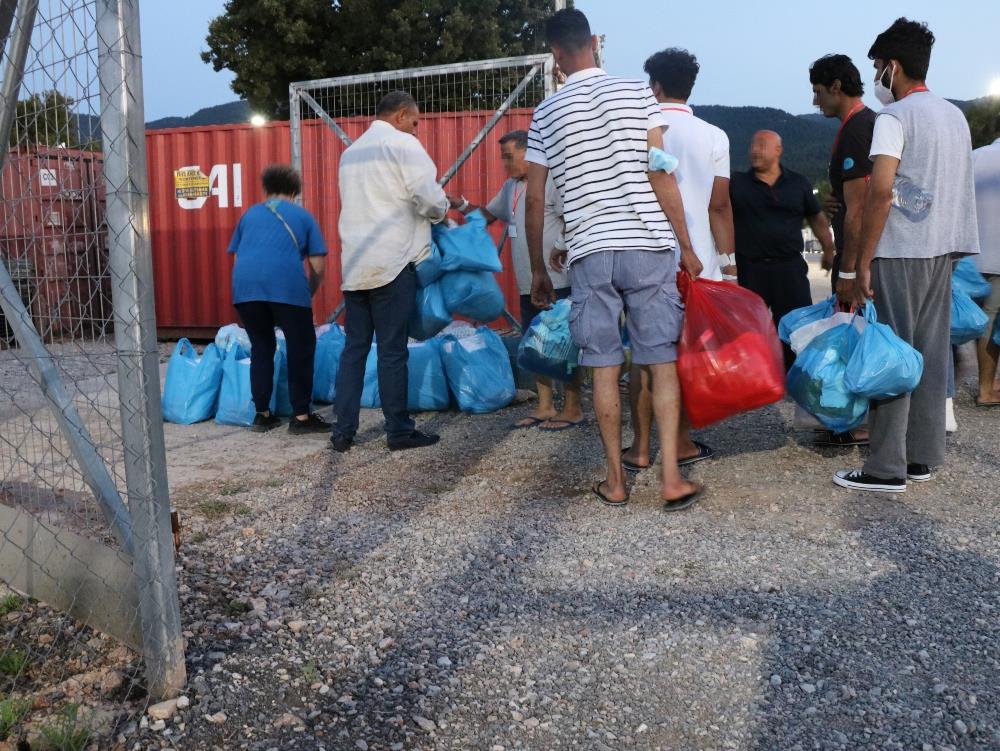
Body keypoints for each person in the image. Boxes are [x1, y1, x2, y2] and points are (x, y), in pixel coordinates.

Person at [525, 8, 704, 511]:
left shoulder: (547, 113)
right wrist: (686, 245)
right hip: (648, 246)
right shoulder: (637, 94)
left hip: (590, 253)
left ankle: (615, 481)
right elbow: (660, 171)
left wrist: (539, 268)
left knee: (603, 368)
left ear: (557, 55)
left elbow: (535, 200)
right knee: (660, 362)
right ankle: (670, 477)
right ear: (594, 43)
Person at [834, 18, 980, 493]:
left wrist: (860, 266)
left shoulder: (894, 118)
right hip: (943, 250)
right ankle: (922, 454)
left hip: (900, 252)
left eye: (877, 67)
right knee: (930, 353)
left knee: (890, 355)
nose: (876, 76)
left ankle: (884, 467)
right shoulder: (953, 115)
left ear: (892, 68)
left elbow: (880, 194)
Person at [621, 47, 736, 475]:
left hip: (645, 254)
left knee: (645, 354)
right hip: (699, 262)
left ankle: (638, 447)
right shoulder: (715, 135)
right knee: (686, 355)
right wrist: (729, 267)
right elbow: (720, 207)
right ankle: (682, 442)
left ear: (654, 86)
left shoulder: (642, 130)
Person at [331, 91, 448, 452]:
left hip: (355, 264)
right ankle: (398, 430)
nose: (416, 129)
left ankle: (343, 431)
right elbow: (428, 197)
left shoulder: (350, 153)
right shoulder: (404, 145)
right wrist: (442, 211)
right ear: (400, 116)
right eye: (415, 122)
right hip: (393, 263)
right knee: (392, 350)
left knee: (354, 349)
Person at [447, 130, 584, 431]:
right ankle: (546, 406)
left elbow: (574, 221)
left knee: (564, 344)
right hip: (528, 280)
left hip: (557, 280)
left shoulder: (551, 182)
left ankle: (572, 407)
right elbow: (487, 216)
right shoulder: (511, 186)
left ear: (528, 152)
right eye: (502, 157)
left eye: (509, 156)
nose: (504, 163)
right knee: (535, 343)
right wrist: (460, 204)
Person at [228, 164, 329, 434]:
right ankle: (301, 418)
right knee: (300, 348)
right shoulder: (303, 216)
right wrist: (308, 293)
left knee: (261, 348)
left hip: (246, 290)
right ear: (295, 192)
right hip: (287, 288)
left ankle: (262, 414)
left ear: (267, 189)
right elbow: (318, 266)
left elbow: (237, 257)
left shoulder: (249, 215)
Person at [809, 53, 877, 448]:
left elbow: (859, 209)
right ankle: (853, 419)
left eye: (818, 91)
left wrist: (849, 271)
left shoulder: (857, 128)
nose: (815, 101)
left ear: (836, 87)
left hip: (856, 260)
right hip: (860, 255)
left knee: (857, 335)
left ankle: (860, 423)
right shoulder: (861, 125)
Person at [730, 130, 836, 369]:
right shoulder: (737, 183)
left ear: (778, 150)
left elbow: (817, 218)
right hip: (750, 268)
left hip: (789, 268)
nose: (755, 149)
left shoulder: (797, 183)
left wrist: (828, 248)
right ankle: (749, 378)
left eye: (762, 144)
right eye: (753, 145)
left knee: (797, 326)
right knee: (747, 327)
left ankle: (793, 376)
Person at [973, 125, 1000, 407]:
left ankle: (988, 382)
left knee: (975, 320)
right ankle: (985, 389)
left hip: (970, 257)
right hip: (998, 257)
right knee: (989, 324)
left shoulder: (976, 156)